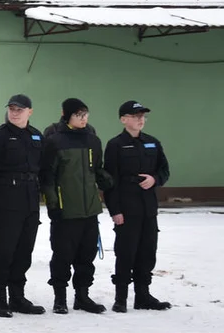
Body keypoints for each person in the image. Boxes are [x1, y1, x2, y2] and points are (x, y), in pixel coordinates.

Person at [40, 98, 113, 315]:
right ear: (67, 115)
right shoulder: (55, 141)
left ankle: (82, 295)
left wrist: (110, 181)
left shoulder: (93, 140)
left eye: (86, 115)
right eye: (79, 115)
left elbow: (96, 169)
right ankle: (59, 297)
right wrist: (53, 203)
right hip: (65, 209)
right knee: (62, 254)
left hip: (90, 209)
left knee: (87, 254)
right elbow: (48, 176)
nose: (83, 119)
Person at [0, 94, 46, 318]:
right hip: (5, 199)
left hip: (29, 199)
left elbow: (43, 167)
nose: (15, 113)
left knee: (23, 251)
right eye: (12, 109)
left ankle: (17, 297)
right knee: (3, 251)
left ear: (30, 111)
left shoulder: (36, 136)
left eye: (20, 109)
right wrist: (1, 191)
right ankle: (0, 299)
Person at [103, 101, 171, 312]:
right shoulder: (115, 145)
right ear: (123, 119)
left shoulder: (152, 143)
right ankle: (121, 297)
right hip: (127, 207)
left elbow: (164, 170)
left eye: (143, 116)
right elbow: (109, 181)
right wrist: (115, 210)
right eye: (135, 116)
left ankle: (143, 295)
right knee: (126, 252)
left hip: (148, 208)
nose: (140, 119)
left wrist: (155, 179)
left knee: (147, 252)